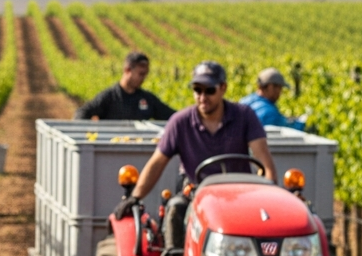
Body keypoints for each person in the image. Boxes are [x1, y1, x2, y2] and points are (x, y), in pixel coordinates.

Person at [116, 61, 277, 245]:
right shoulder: (180, 122)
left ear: (223, 88)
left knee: (264, 225)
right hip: (196, 194)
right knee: (175, 210)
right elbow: (157, 162)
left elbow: (265, 163)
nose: (202, 97)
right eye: (197, 90)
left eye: (209, 90)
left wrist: (268, 198)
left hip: (238, 196)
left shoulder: (244, 116)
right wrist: (135, 197)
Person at [73, 50, 175, 121]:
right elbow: (82, 113)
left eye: (146, 74)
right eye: (141, 74)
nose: (144, 78)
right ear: (127, 70)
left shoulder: (147, 99)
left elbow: (171, 116)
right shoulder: (110, 97)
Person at [241, 68, 306, 130]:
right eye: (279, 88)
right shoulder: (268, 112)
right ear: (270, 86)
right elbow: (287, 128)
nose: (280, 92)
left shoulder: (244, 101)